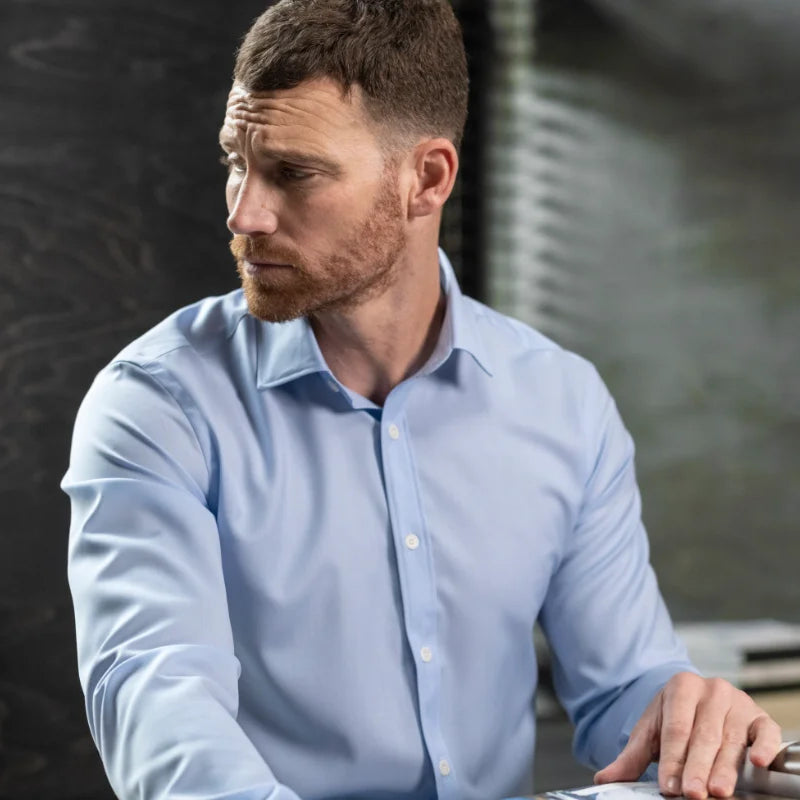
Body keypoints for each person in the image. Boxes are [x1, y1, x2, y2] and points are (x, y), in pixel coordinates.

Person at [62, 2, 782, 799]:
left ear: (428, 178)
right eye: (238, 160)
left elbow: (623, 695)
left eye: (294, 173)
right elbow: (161, 709)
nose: (244, 213)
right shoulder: (158, 405)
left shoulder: (562, 402)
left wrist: (687, 719)